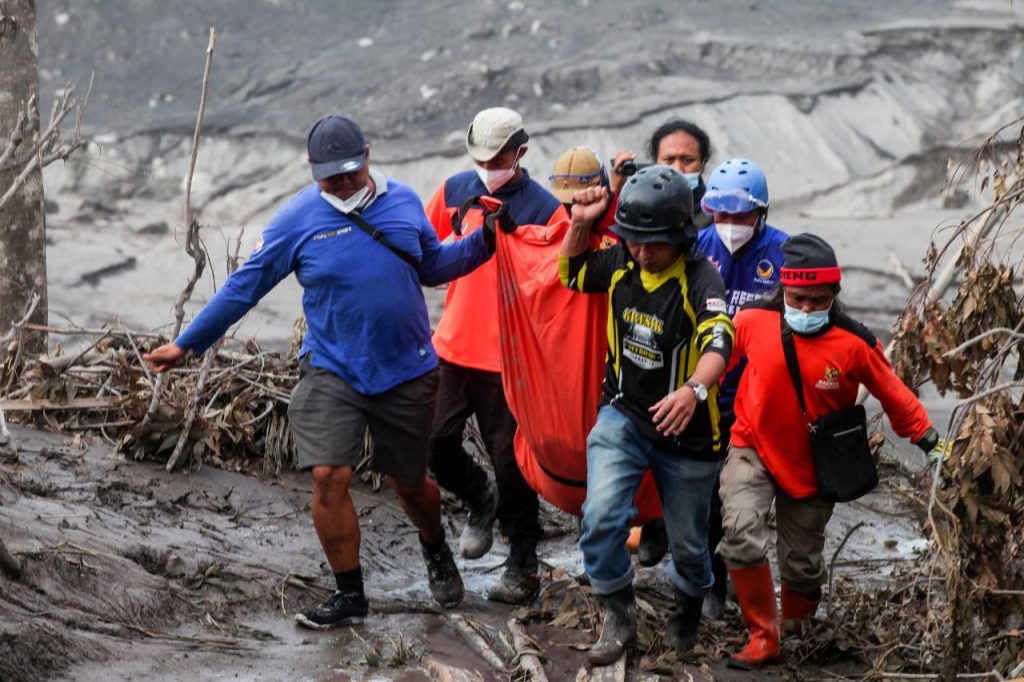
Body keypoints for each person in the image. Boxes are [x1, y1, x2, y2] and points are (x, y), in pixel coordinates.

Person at [144, 115, 498, 629]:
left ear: (369, 157)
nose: (343, 181)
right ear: (313, 171)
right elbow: (246, 286)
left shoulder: (400, 202)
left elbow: (431, 266)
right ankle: (350, 596)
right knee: (329, 475)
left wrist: (482, 241)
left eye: (351, 170)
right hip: (333, 368)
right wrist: (187, 343)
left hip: (406, 368)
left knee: (409, 482)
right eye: (331, 175)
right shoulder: (296, 220)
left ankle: (434, 546)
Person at [720, 233, 943, 669]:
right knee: (741, 534)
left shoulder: (854, 342)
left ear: (833, 296)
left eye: (816, 301)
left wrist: (931, 443)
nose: (805, 309)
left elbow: (894, 394)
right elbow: (714, 364)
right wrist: (689, 400)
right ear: (784, 289)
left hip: (813, 468)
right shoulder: (750, 322)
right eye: (797, 298)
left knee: (802, 567)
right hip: (752, 447)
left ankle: (795, 634)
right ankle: (762, 635)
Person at [560, 166, 735, 663]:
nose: (641, 252)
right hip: (624, 414)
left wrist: (694, 391)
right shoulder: (620, 261)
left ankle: (687, 606)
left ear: (681, 235)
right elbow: (571, 274)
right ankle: (618, 612)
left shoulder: (701, 277)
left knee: (690, 545)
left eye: (653, 243)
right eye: (634, 241)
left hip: (691, 432)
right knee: (598, 518)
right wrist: (582, 222)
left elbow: (720, 339)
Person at [424, 107, 569, 604]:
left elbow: (558, 286)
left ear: (521, 152)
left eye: (500, 156)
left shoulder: (546, 209)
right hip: (453, 347)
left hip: (509, 358)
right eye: (480, 155)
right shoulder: (453, 191)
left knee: (512, 460)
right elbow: (422, 249)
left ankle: (522, 561)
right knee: (433, 443)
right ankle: (477, 497)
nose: (488, 164)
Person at [608, 119, 715, 571]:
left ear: (702, 164)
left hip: (701, 386)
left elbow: (717, 329)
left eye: (686, 160)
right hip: (636, 394)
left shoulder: (716, 216)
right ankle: (651, 531)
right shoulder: (633, 217)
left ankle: (700, 580)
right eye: (668, 159)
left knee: (700, 512)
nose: (677, 167)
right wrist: (615, 188)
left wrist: (697, 387)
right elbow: (581, 266)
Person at [694, 158, 789, 620]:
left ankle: (747, 587)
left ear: (761, 212)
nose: (729, 225)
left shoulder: (784, 254)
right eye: (721, 215)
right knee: (706, 493)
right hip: (706, 394)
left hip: (759, 402)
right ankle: (710, 583)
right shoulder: (696, 249)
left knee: (742, 500)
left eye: (740, 215)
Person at [549, 145, 617, 246]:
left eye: (578, 200)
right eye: (564, 202)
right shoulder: (555, 222)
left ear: (601, 187)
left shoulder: (624, 224)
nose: (572, 209)